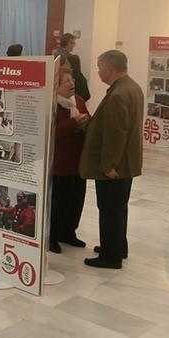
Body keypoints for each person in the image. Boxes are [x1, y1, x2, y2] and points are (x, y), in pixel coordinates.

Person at [80, 50, 143, 269]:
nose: (98, 71)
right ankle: (118, 246)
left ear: (109, 68)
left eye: (99, 67)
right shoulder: (131, 87)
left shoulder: (118, 94)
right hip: (126, 163)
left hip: (115, 166)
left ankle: (110, 256)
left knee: (109, 210)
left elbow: (116, 133)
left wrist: (108, 165)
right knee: (119, 208)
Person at [50, 68, 90, 253]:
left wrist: (86, 122)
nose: (72, 83)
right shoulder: (53, 105)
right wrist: (74, 123)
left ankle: (69, 232)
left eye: (72, 80)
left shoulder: (79, 101)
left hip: (78, 160)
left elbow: (88, 118)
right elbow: (53, 132)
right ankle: (54, 235)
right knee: (59, 202)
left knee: (76, 200)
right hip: (60, 162)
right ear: (56, 86)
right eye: (66, 81)